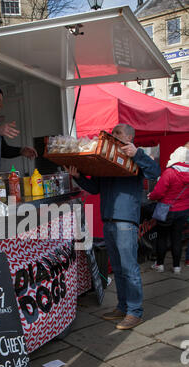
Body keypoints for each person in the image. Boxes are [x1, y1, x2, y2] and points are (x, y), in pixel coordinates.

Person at [65, 124, 160, 330]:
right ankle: (123, 307)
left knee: (129, 268)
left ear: (129, 137)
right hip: (108, 220)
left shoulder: (135, 158)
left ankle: (135, 312)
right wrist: (78, 177)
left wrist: (138, 153)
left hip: (126, 221)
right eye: (112, 133)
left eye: (118, 133)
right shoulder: (106, 160)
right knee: (117, 269)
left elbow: (155, 172)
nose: (113, 136)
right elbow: (95, 188)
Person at [148, 145, 189, 274]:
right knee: (177, 238)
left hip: (167, 210)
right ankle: (176, 267)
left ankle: (160, 265)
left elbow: (158, 192)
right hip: (183, 210)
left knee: (162, 238)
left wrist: (151, 196)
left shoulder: (170, 172)